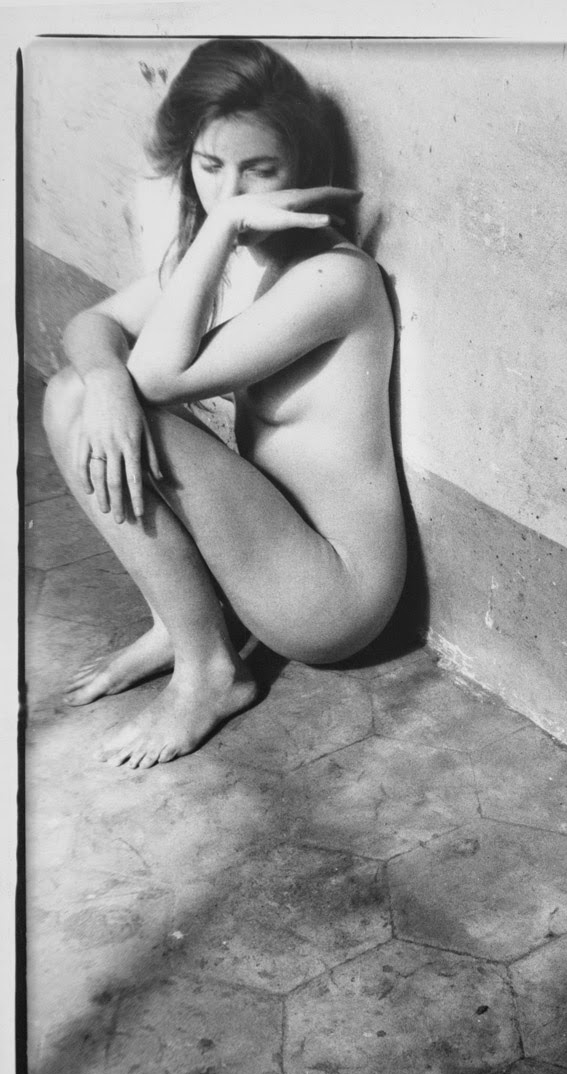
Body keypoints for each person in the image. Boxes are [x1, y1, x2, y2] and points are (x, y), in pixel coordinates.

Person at [41, 37, 405, 769]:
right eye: (210, 167)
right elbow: (92, 326)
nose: (232, 191)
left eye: (260, 170)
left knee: (95, 398)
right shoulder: (226, 259)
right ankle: (177, 626)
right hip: (269, 560)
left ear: (303, 167)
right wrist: (107, 378)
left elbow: (159, 378)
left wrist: (221, 225)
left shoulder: (334, 279)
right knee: (78, 391)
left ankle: (210, 671)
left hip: (333, 597)